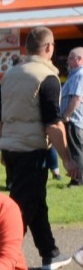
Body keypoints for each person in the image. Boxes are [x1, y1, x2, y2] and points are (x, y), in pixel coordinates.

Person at [0, 26, 74, 270]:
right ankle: (1, 262)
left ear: (26, 48)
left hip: (11, 148)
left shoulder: (9, 76)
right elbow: (53, 124)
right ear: (49, 48)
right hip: (33, 150)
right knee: (19, 212)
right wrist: (67, 158)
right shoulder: (46, 77)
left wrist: (5, 146)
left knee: (35, 204)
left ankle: (50, 253)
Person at [60, 46, 83, 186]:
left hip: (74, 120)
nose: (67, 61)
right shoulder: (74, 74)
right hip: (73, 119)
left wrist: (66, 116)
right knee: (75, 148)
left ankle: (79, 179)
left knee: (76, 149)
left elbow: (76, 98)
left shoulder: (80, 75)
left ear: (79, 59)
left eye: (70, 58)